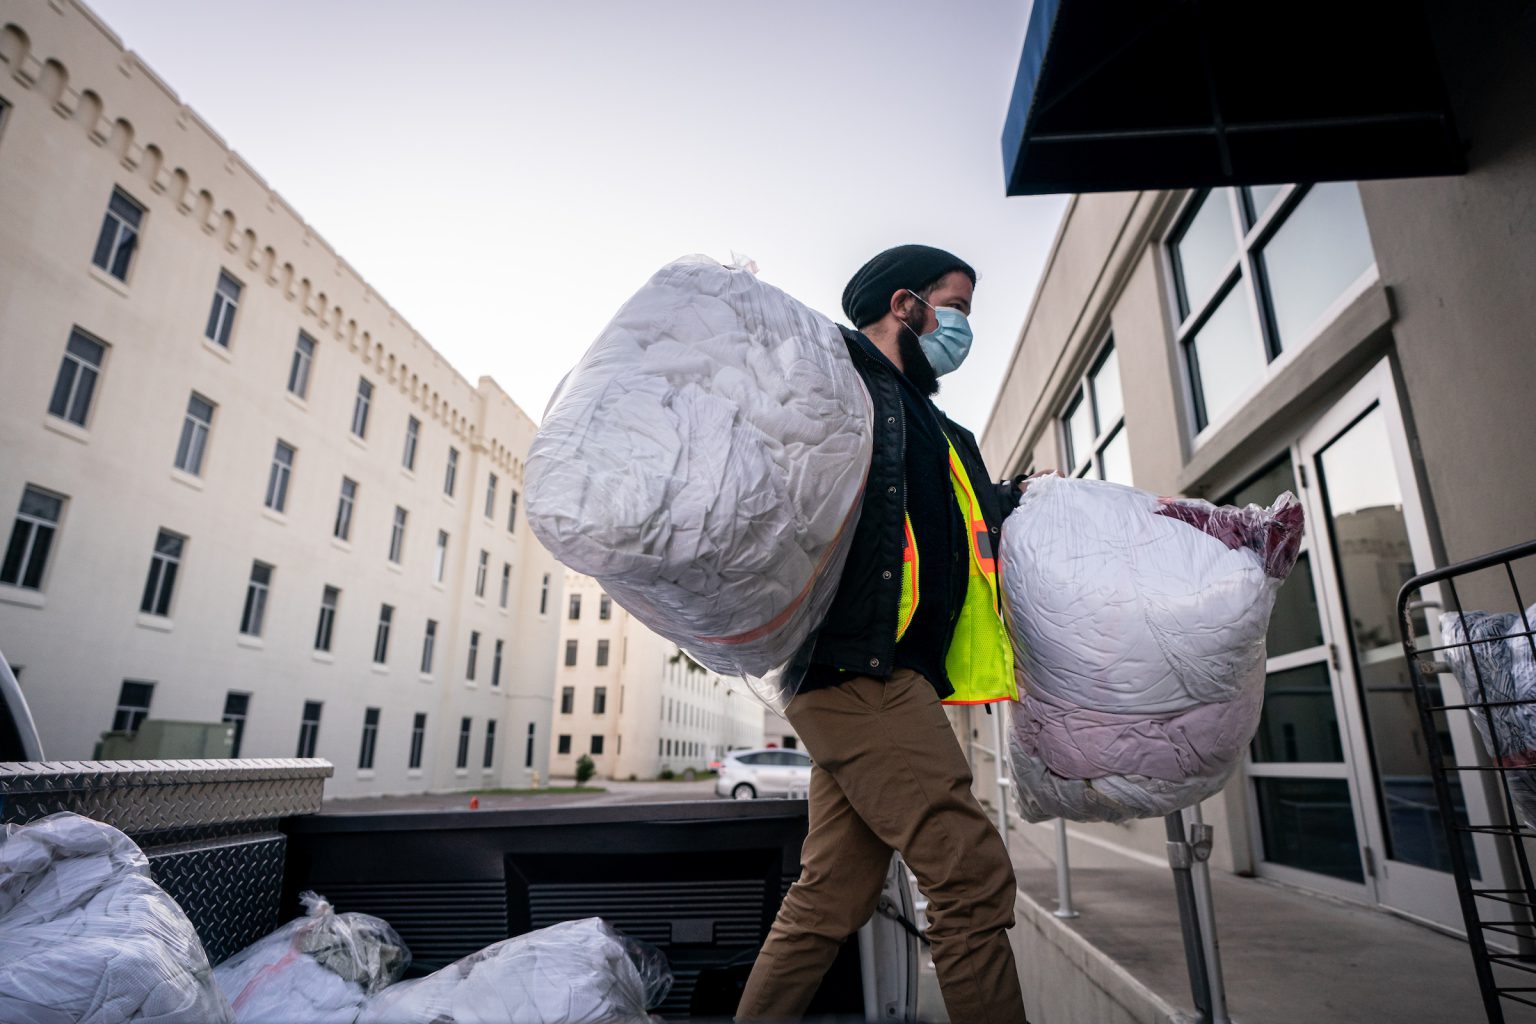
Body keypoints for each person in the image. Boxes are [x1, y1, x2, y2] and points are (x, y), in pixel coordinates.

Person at [736, 245, 1033, 1023]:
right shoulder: (838, 382)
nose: (964, 327)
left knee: (829, 896)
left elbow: (967, 531)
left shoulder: (939, 428)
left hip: (880, 676)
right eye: (957, 305)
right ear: (907, 305)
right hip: (856, 672)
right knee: (969, 880)